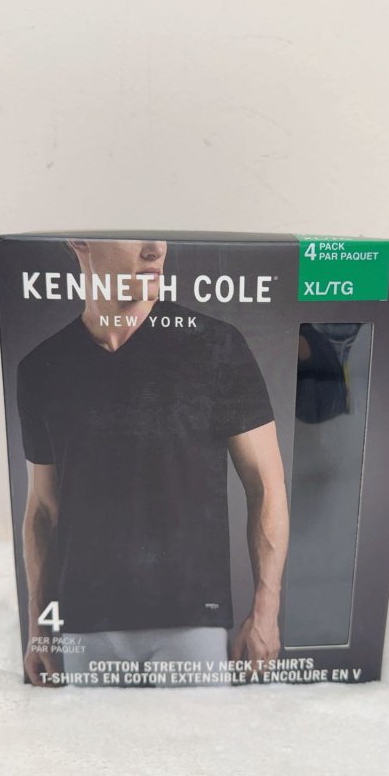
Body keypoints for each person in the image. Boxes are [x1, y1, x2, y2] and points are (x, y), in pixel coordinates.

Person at [17, 239, 289, 687]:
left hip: (191, 622)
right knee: (84, 739)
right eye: (135, 234)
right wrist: (38, 625)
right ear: (80, 241)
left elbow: (266, 486)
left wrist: (265, 611)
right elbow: (44, 509)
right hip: (86, 625)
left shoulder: (215, 345)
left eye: (159, 237)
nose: (155, 250)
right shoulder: (41, 367)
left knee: (199, 738)